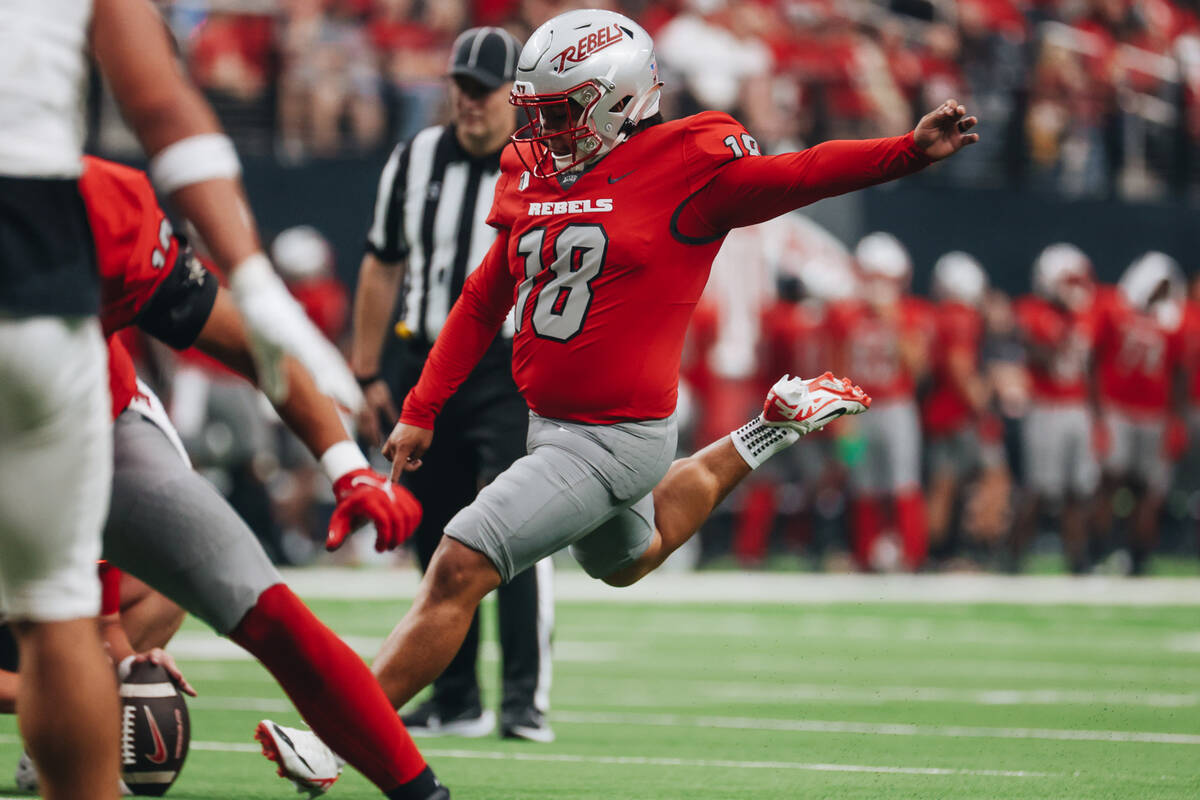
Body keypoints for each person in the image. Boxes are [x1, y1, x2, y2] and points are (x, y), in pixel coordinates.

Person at [268, 11, 977, 789]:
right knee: (629, 558)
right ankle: (769, 430)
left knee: (459, 563)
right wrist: (421, 407)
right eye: (535, 112)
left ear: (619, 99)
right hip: (557, 427)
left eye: (559, 112)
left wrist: (906, 152)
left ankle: (334, 743)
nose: (541, 129)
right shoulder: (540, 172)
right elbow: (481, 298)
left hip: (610, 437)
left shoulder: (686, 164)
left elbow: (800, 171)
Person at [77, 155, 448, 800]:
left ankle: (423, 794)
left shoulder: (99, 206)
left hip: (94, 433)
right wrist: (63, 689)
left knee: (264, 607)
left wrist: (346, 470)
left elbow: (254, 347)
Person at [353, 27, 554, 743]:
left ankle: (525, 699)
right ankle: (458, 695)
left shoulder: (543, 162)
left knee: (516, 528)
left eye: (483, 88)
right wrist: (368, 370)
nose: (468, 101)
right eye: (460, 86)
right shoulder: (413, 159)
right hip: (425, 359)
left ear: (514, 95)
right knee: (436, 531)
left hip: (509, 368)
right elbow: (382, 263)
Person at [828, 233, 933, 571]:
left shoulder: (911, 313)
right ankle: (865, 555)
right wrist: (842, 419)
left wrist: (892, 320)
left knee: (903, 482)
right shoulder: (846, 314)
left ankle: (912, 556)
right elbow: (838, 368)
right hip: (858, 411)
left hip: (897, 407)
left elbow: (919, 369)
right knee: (863, 484)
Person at [1092, 252, 1188, 574]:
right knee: (1111, 483)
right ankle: (1097, 553)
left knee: (1149, 490)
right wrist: (1098, 414)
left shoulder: (1172, 321)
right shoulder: (1115, 308)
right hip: (1118, 409)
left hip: (1154, 416)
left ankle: (1137, 558)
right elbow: (1094, 360)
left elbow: (1178, 374)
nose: (1163, 293)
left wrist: (1176, 420)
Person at [1010, 243, 1101, 573]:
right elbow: (1040, 356)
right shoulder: (1032, 309)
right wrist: (1066, 324)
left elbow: (1092, 367)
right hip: (1046, 408)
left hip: (1078, 408)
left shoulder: (1087, 312)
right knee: (1039, 490)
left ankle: (1077, 560)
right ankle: (1014, 558)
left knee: (1079, 491)